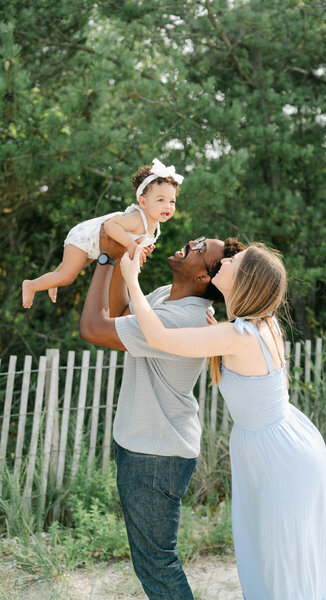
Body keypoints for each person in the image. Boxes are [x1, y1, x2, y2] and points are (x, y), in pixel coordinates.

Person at [119, 242, 326, 600]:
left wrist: (131, 279)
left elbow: (158, 336)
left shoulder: (237, 334)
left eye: (233, 261)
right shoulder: (259, 324)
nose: (225, 260)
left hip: (277, 456)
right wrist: (220, 329)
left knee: (280, 559)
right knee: (281, 556)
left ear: (245, 280)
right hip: (284, 442)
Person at [79, 232, 245, 600]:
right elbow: (121, 313)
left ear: (204, 277)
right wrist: (128, 263)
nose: (193, 242)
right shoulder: (164, 298)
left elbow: (93, 328)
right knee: (152, 562)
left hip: (156, 455)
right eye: (200, 239)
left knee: (157, 565)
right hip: (146, 446)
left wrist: (107, 260)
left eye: (201, 249)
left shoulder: (182, 319)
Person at [22, 158, 182, 308]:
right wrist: (130, 244)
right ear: (143, 201)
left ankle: (53, 280)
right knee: (67, 276)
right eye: (160, 200)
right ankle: (31, 285)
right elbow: (110, 226)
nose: (167, 206)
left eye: (172, 201)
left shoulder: (153, 226)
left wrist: (138, 249)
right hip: (85, 237)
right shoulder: (137, 219)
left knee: (69, 269)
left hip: (96, 245)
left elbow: (133, 243)